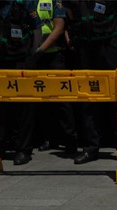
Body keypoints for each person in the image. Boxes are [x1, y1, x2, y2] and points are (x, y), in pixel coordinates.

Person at [62, 0, 117, 164]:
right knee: (87, 99)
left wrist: (111, 34)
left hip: (109, 47)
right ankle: (91, 147)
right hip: (85, 48)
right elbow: (70, 16)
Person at [0, 0, 42, 166]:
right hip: (1, 60)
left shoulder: (25, 3)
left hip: (21, 60)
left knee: (24, 107)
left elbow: (37, 29)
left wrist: (32, 54)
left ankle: (23, 150)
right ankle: (0, 147)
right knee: (0, 107)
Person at [31, 0, 78, 155]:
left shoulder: (54, 1)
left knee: (62, 100)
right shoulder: (29, 2)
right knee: (42, 100)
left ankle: (70, 140)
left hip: (53, 55)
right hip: (35, 57)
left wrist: (41, 49)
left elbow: (59, 27)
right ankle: (48, 138)